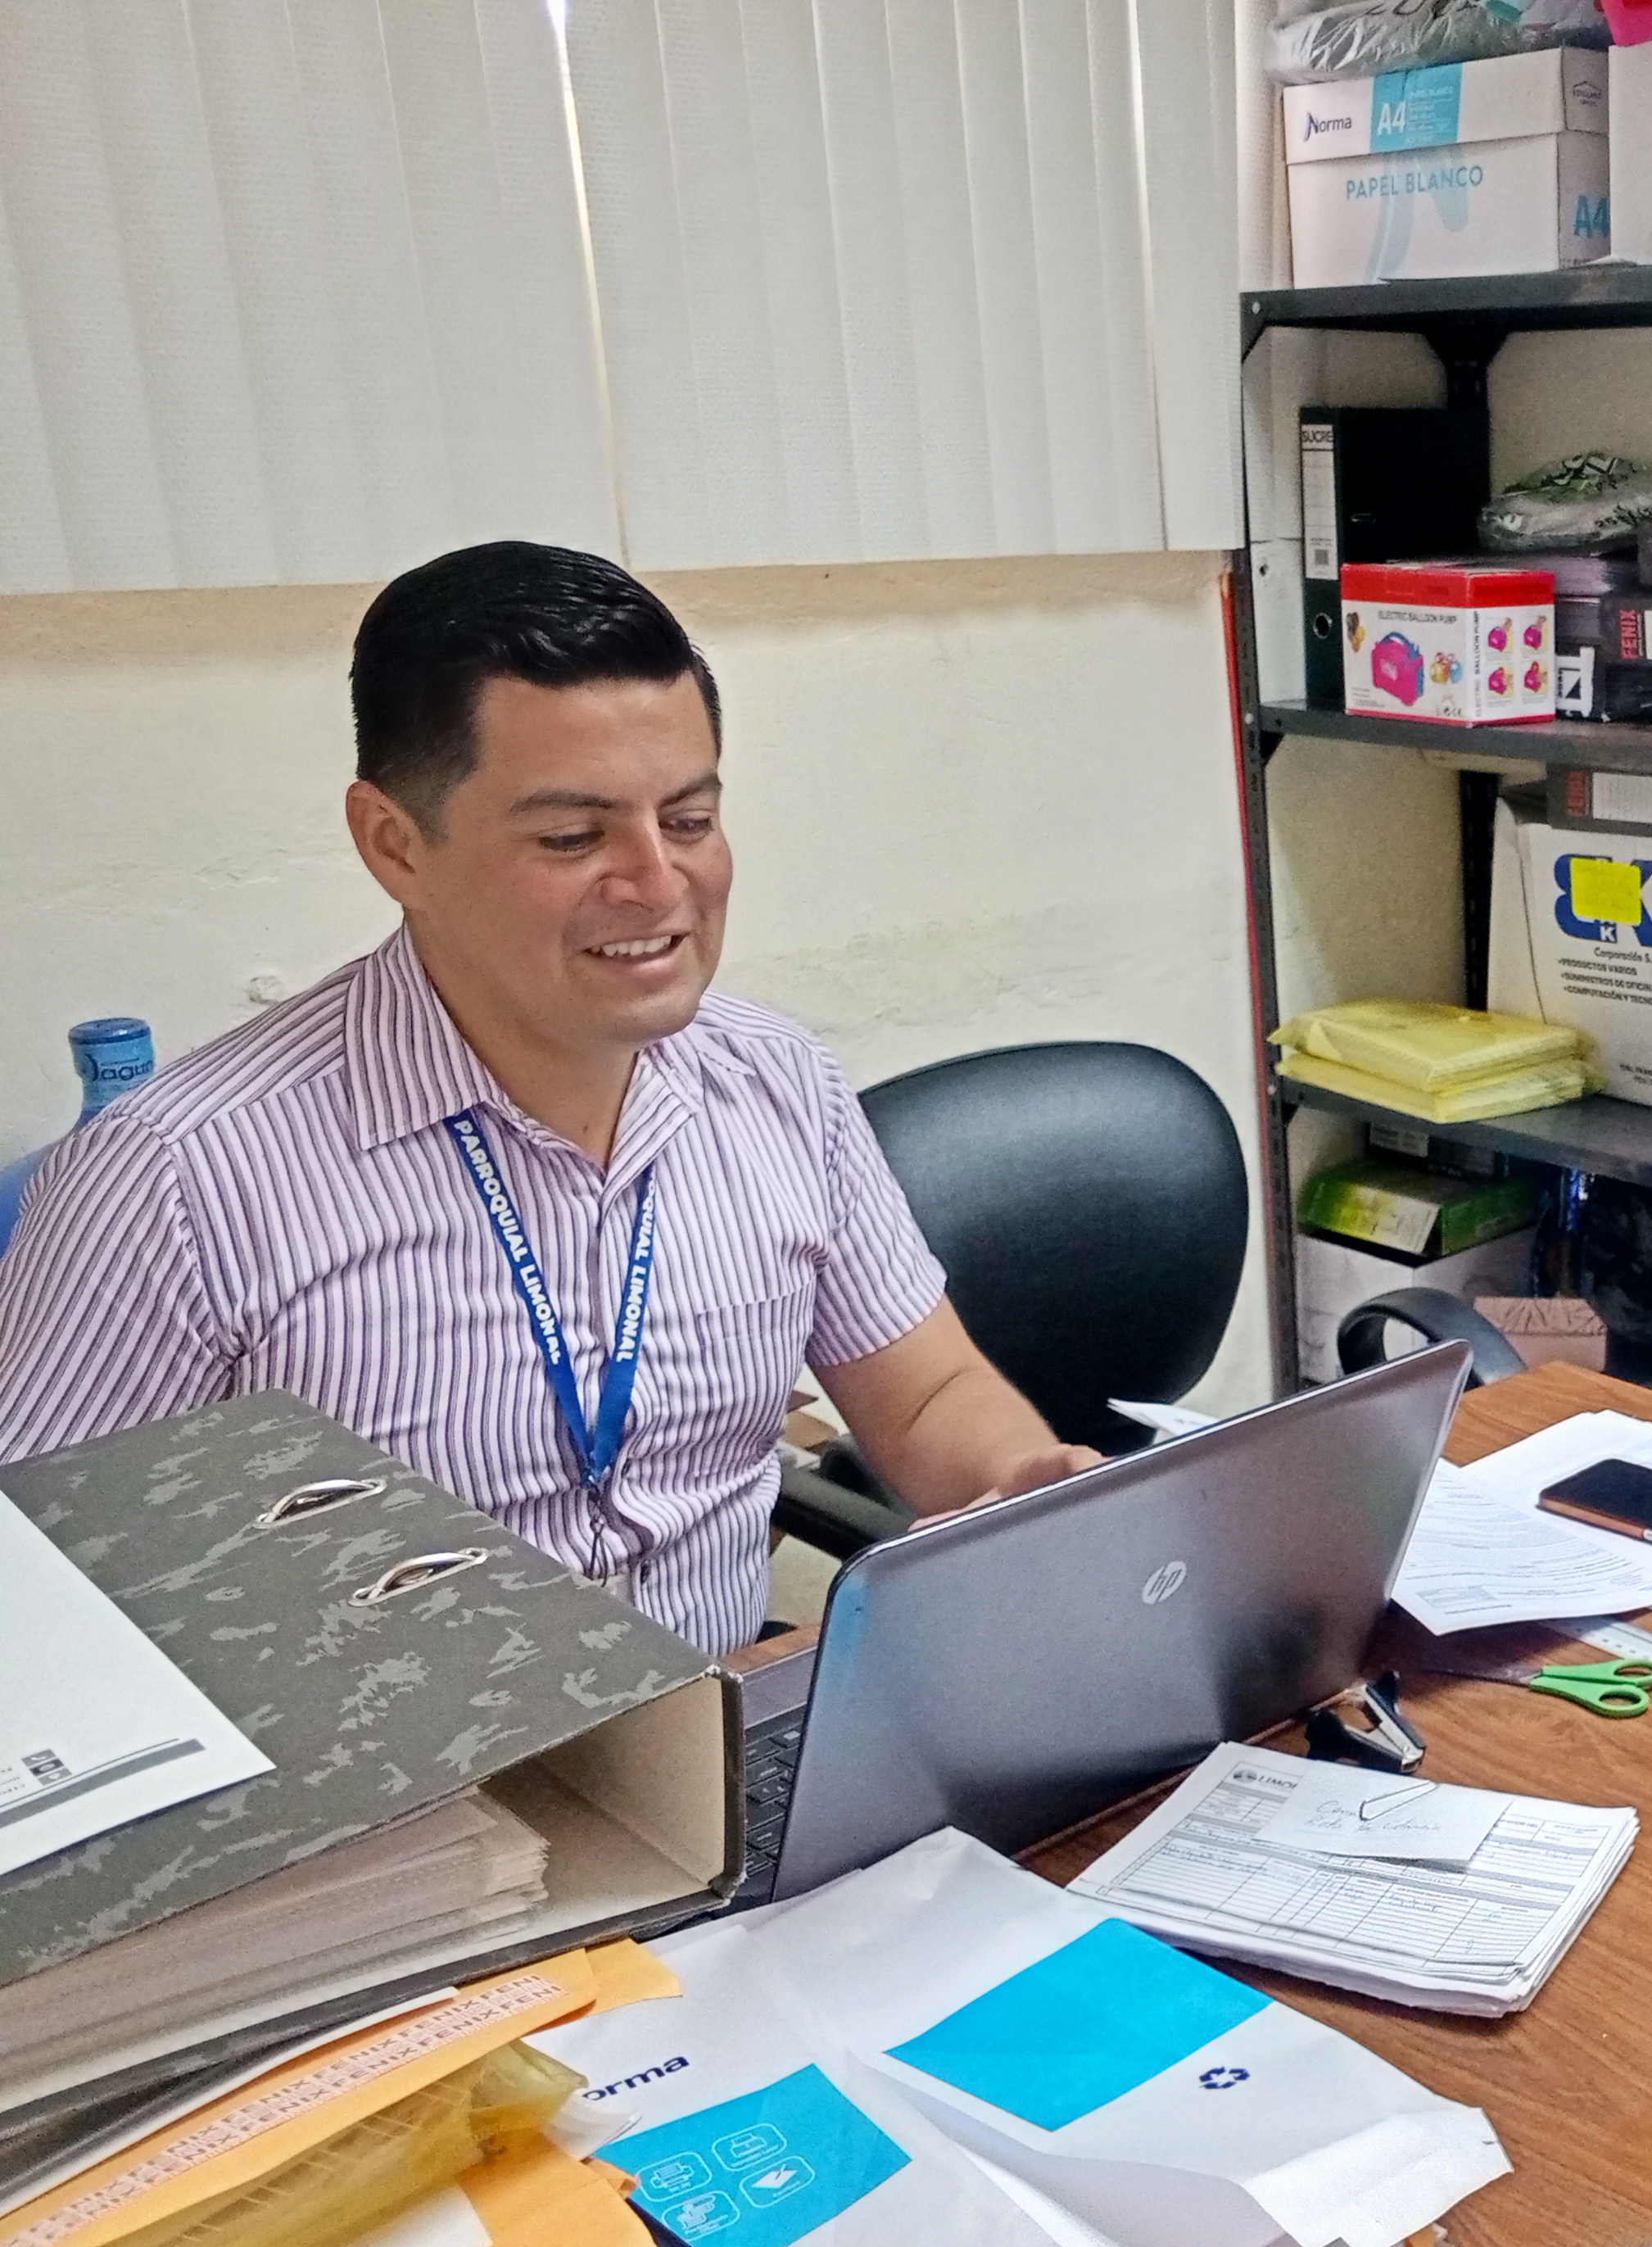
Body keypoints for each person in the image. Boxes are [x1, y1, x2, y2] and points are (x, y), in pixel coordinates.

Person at [0, 541, 1099, 1655]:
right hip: (416, 1761)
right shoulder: (173, 1182)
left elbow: (925, 1395)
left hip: (736, 1715)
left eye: (688, 821)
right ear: (395, 845)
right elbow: (42, 1613)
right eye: (573, 837)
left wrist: (1025, 1480)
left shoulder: (779, 1081)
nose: (658, 885)